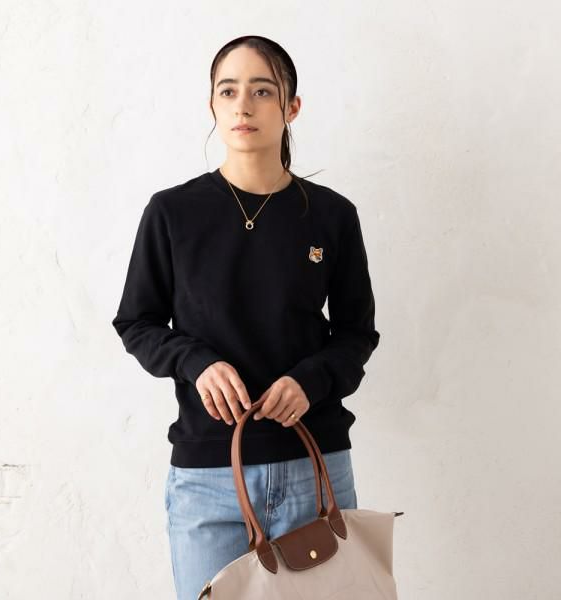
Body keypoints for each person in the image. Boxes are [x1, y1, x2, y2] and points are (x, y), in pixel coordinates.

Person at [111, 34, 380, 600]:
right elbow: (137, 321)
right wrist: (196, 363)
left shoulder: (332, 215)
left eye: (262, 91)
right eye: (228, 91)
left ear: (291, 107)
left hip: (314, 468)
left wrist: (310, 381)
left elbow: (357, 333)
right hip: (209, 476)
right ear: (212, 104)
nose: (243, 106)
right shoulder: (172, 212)